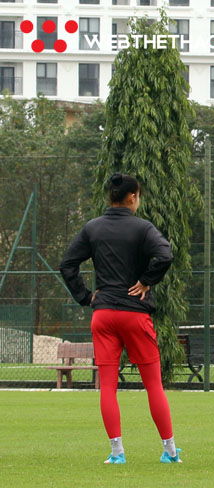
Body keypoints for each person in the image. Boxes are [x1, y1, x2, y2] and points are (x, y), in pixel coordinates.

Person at [59, 173, 181, 465]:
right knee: (153, 384)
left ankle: (117, 453)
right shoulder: (143, 228)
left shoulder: (92, 228)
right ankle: (170, 451)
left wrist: (85, 296)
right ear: (132, 198)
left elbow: (67, 264)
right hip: (134, 313)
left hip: (103, 314)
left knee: (108, 386)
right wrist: (146, 281)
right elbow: (165, 255)